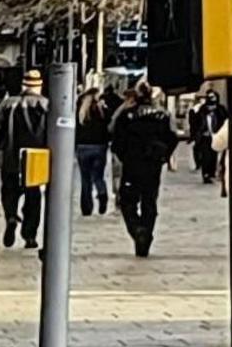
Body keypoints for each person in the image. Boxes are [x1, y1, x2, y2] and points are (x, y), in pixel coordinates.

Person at [110, 83, 181, 258]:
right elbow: (172, 137)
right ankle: (145, 233)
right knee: (149, 201)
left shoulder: (127, 116)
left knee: (128, 201)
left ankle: (137, 229)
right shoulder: (162, 115)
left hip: (132, 165)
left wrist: (124, 155)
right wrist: (164, 156)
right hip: (153, 166)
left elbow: (116, 137)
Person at [0, 69, 52, 249]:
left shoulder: (8, 104)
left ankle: (11, 216)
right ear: (39, 87)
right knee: (33, 197)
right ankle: (29, 235)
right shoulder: (46, 106)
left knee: (9, 191)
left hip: (11, 157)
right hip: (36, 160)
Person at [75, 83, 116, 219]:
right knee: (98, 176)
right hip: (99, 146)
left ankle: (86, 208)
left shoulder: (80, 111)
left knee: (85, 179)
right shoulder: (102, 110)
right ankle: (102, 194)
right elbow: (110, 125)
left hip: (83, 147)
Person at [188, 89, 224, 189]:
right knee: (206, 156)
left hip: (216, 136)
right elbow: (196, 122)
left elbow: (223, 120)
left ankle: (211, 173)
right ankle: (206, 174)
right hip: (205, 137)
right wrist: (196, 134)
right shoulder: (202, 110)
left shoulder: (220, 110)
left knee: (213, 155)